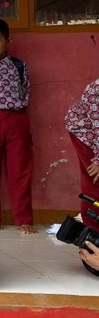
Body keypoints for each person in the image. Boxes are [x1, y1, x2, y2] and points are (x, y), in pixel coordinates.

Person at [0, 19, 35, 234]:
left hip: (17, 119)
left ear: (8, 42)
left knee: (20, 171)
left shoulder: (19, 66)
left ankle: (24, 219)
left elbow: (25, 90)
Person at [65, 78, 99, 232]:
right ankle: (92, 231)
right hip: (86, 134)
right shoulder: (96, 90)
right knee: (95, 181)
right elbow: (97, 126)